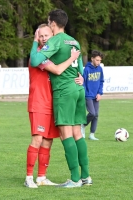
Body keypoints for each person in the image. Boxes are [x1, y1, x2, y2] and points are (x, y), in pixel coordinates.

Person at [30, 9, 92, 188]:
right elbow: (80, 68)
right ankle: (86, 176)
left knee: (66, 135)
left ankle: (74, 179)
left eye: (49, 22)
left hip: (64, 91)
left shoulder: (56, 40)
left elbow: (35, 61)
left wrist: (36, 42)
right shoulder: (74, 41)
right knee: (77, 134)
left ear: (53, 24)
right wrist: (81, 78)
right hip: (78, 89)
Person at [81, 50, 104, 140]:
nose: (99, 62)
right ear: (92, 59)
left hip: (96, 95)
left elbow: (101, 81)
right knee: (92, 113)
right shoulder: (86, 69)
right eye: (97, 60)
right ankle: (82, 125)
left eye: (100, 60)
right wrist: (86, 93)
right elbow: (83, 82)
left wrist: (99, 93)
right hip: (88, 95)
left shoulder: (100, 69)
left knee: (96, 114)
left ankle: (92, 134)